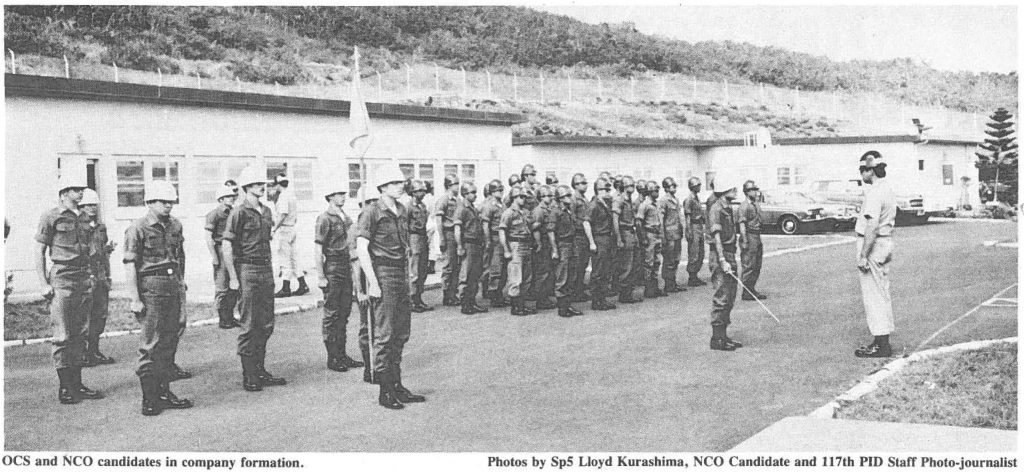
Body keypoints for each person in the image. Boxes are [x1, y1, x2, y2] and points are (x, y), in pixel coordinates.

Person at [356, 164, 425, 410]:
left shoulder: (402, 209)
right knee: (384, 334)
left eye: (401, 182)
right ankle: (385, 390)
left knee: (400, 331)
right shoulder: (372, 212)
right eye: (395, 183)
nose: (401, 186)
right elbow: (362, 249)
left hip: (400, 271)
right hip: (382, 272)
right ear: (383, 187)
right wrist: (372, 282)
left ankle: (397, 384)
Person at [123, 181, 193, 415]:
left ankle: (164, 392)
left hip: (173, 285)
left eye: (171, 202)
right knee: (151, 343)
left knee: (170, 340)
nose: (167, 206)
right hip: (151, 287)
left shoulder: (175, 225)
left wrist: (182, 283)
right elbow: (130, 264)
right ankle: (150, 398)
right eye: (163, 202)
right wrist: (135, 298)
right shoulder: (138, 228)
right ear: (150, 203)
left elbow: (179, 257)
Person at [35, 172, 105, 405]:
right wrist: (43, 282)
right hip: (63, 278)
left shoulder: (85, 217)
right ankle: (65, 388)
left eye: (81, 189)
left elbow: (92, 248)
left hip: (83, 278)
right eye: (76, 189)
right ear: (64, 193)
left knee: (80, 334)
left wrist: (93, 275)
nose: (81, 193)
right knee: (63, 335)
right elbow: (39, 250)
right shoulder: (51, 216)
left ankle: (78, 385)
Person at [222, 164, 287, 392]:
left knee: (266, 322)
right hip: (247, 270)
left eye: (263, 184)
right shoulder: (238, 212)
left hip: (265, 270)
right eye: (258, 184)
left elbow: (269, 241)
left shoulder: (267, 211)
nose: (262, 187)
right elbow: (227, 245)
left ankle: (260, 369)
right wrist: (233, 277)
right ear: (247, 187)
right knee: (249, 324)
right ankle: (249, 374)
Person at [314, 179, 364, 373]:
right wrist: (320, 276)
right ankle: (333, 357)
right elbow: (318, 250)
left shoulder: (345, 218)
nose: (342, 197)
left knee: (344, 313)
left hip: (345, 266)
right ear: (330, 197)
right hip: (333, 267)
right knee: (332, 314)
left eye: (343, 194)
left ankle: (342, 354)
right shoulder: (325, 218)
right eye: (338, 194)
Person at [854, 151, 898, 358]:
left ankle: (881, 344)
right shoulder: (887, 189)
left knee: (873, 296)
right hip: (885, 242)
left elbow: (871, 225)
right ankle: (882, 340)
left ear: (871, 170)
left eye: (864, 169)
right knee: (881, 292)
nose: (862, 173)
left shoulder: (874, 193)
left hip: (874, 244)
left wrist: (863, 255)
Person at [707, 175, 743, 352]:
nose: (735, 191)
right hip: (720, 255)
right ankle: (717, 339)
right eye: (732, 188)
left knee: (730, 296)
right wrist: (722, 260)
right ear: (724, 190)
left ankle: (724, 335)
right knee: (722, 297)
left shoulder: (727, 208)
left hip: (729, 254)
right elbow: (716, 237)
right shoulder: (716, 209)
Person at [80, 189, 116, 366]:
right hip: (85, 276)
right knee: (84, 316)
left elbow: (102, 253)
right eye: (87, 205)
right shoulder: (78, 227)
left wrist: (108, 275)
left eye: (94, 205)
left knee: (100, 315)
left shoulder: (101, 227)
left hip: (101, 276)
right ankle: (83, 354)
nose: (91, 208)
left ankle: (94, 350)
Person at [205, 183, 241, 329]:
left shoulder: (235, 212)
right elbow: (208, 237)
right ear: (220, 199)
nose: (232, 199)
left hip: (234, 250)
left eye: (232, 196)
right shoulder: (214, 214)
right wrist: (214, 257)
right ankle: (223, 318)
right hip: (221, 250)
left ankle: (230, 316)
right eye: (228, 196)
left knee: (234, 285)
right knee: (222, 286)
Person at [499, 186, 537, 316]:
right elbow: (502, 231)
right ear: (514, 198)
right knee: (516, 277)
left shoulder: (526, 212)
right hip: (515, 245)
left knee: (527, 277)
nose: (523, 199)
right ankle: (515, 306)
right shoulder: (508, 213)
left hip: (526, 245)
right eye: (521, 197)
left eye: (524, 197)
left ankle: (522, 304)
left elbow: (531, 226)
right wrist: (506, 250)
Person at [272, 173, 309, 298]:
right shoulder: (291, 195)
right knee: (294, 258)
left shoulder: (283, 196)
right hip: (292, 228)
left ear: (278, 184)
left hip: (285, 230)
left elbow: (282, 214)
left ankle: (286, 287)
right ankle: (302, 284)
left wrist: (274, 229)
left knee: (285, 258)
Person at [454, 182, 488, 315]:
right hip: (468, 244)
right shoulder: (461, 208)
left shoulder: (472, 208)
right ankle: (465, 303)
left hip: (476, 244)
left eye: (475, 192)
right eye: (472, 192)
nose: (475, 195)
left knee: (475, 274)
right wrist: (460, 246)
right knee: (466, 275)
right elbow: (457, 229)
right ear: (464, 194)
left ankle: (472, 301)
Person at [584, 178, 617, 311]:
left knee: (605, 271)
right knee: (598, 272)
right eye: (606, 189)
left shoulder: (605, 203)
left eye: (609, 189)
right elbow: (586, 223)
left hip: (606, 239)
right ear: (598, 190)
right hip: (599, 239)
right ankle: (596, 301)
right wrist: (592, 242)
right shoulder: (594, 204)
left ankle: (602, 299)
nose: (609, 192)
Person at [551, 185, 583, 317]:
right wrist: (554, 250)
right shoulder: (556, 212)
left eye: (570, 195)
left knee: (571, 275)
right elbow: (551, 232)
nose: (570, 198)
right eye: (567, 196)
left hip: (572, 244)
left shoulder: (569, 211)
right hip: (562, 245)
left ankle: (567, 305)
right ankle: (562, 308)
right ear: (560, 198)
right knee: (562, 276)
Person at [612, 176, 642, 304]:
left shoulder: (629, 200)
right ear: (624, 187)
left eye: (633, 185)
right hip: (624, 232)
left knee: (634, 263)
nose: (632, 188)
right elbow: (615, 220)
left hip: (631, 231)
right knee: (626, 265)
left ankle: (628, 292)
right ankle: (624, 294)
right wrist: (619, 238)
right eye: (630, 186)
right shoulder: (619, 200)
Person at [406, 180, 433, 313]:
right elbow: (404, 226)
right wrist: (407, 245)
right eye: (419, 191)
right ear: (413, 192)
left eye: (423, 191)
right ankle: (412, 300)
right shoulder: (408, 207)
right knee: (415, 271)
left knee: (423, 269)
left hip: (423, 237)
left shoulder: (422, 206)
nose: (422, 193)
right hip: (414, 238)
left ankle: (418, 298)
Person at [479, 179, 508, 308]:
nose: (500, 192)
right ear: (491, 191)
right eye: (497, 190)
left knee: (503, 269)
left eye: (501, 190)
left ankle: (499, 293)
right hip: (495, 239)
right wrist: (488, 240)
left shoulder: (502, 205)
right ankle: (493, 294)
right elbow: (485, 225)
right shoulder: (488, 206)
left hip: (503, 239)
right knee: (495, 268)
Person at [738, 180, 767, 301]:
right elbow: (742, 225)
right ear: (746, 192)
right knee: (749, 265)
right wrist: (744, 240)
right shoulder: (744, 206)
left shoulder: (755, 204)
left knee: (757, 264)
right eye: (752, 190)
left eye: (755, 189)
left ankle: (751, 288)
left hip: (756, 236)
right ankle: (746, 291)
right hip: (749, 236)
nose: (755, 192)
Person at [435, 174, 462, 306]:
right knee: (449, 266)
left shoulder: (458, 200)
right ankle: (447, 294)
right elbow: (439, 220)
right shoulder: (443, 200)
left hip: (457, 234)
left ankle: (453, 293)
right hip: (448, 233)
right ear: (449, 186)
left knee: (456, 266)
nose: (458, 186)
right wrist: (441, 238)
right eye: (455, 184)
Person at [530, 185, 558, 311]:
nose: (549, 198)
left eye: (550, 195)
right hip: (542, 243)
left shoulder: (549, 209)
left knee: (548, 272)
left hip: (548, 243)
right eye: (546, 196)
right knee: (542, 272)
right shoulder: (539, 210)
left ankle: (545, 297)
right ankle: (541, 299)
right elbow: (535, 228)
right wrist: (539, 243)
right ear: (540, 197)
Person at [638, 181, 667, 298]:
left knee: (656, 262)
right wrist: (643, 237)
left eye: (658, 190)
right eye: (655, 191)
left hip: (657, 235)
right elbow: (639, 222)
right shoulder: (644, 205)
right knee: (648, 263)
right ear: (650, 192)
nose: (657, 193)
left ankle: (655, 287)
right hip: (649, 235)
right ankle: (648, 289)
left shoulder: (657, 204)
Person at [658, 177, 686, 294]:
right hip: (669, 235)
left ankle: (672, 282)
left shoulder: (676, 199)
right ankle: (668, 284)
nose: (674, 188)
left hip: (676, 234)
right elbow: (661, 219)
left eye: (675, 186)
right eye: (671, 186)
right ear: (666, 188)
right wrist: (663, 236)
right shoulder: (664, 201)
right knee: (669, 260)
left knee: (675, 259)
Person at [569, 173, 592, 303]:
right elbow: (572, 218)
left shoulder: (584, 198)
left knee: (583, 264)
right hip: (578, 235)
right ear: (575, 185)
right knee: (577, 265)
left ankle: (579, 290)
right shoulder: (573, 199)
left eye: (585, 182)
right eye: (581, 183)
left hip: (585, 235)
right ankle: (575, 292)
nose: (584, 185)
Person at [683, 177, 708, 287]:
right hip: (693, 226)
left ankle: (695, 275)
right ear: (693, 187)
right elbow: (688, 217)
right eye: (698, 185)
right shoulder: (689, 199)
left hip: (699, 226)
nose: (700, 187)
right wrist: (688, 231)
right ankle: (692, 277)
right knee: (694, 252)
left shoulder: (696, 198)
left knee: (700, 252)